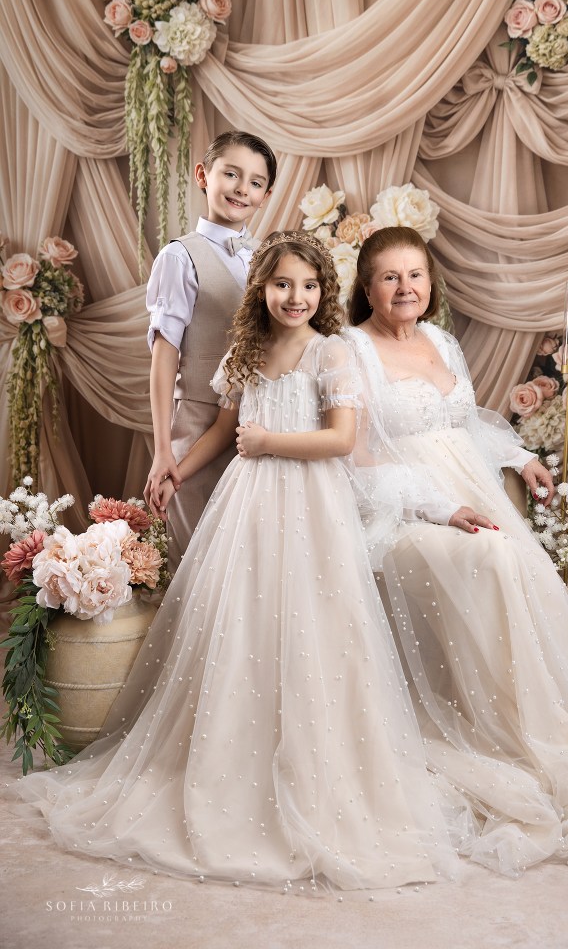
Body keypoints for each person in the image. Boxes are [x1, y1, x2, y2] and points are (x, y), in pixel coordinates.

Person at [17, 232, 460, 893]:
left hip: (311, 508)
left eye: (308, 286)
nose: (295, 297)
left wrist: (270, 440)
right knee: (244, 623)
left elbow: (342, 438)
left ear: (324, 292)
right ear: (262, 289)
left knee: (314, 627)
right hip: (248, 504)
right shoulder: (245, 351)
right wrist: (175, 468)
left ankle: (316, 765)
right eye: (282, 284)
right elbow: (226, 431)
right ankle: (234, 756)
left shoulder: (331, 351)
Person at [343, 225, 568, 878]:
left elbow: (466, 423)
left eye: (415, 274)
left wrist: (518, 456)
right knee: (495, 558)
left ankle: (535, 728)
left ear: (430, 283)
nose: (405, 287)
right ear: (366, 287)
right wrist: (437, 507)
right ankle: (500, 729)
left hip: (473, 495)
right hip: (397, 511)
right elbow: (355, 457)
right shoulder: (349, 350)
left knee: (521, 563)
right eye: (389, 277)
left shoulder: (440, 340)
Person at [144, 130, 277, 573]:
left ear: (266, 195)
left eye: (255, 182)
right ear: (203, 175)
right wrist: (164, 449)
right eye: (231, 174)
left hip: (258, 421)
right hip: (199, 419)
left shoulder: (268, 257)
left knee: (248, 562)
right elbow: (165, 355)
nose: (242, 189)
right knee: (196, 559)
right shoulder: (180, 257)